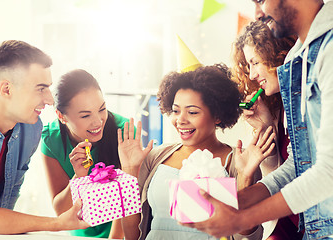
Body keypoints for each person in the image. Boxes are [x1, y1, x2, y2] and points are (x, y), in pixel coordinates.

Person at [181, 1, 333, 239]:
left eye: (261, 0)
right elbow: (298, 166)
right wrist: (238, 199)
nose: (259, 13)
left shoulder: (328, 52)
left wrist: (243, 216)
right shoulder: (298, 60)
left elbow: (327, 172)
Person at [118, 63, 276, 240]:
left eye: (192, 112)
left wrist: (245, 177)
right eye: (176, 111)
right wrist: (130, 170)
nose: (180, 120)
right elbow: (132, 236)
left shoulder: (240, 161)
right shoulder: (156, 157)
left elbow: (249, 238)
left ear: (217, 115)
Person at [0, 40, 89, 234]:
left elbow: (4, 206)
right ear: (6, 89)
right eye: (41, 88)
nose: (50, 100)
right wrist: (58, 223)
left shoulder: (30, 129)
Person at [232, 20, 302, 239]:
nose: (252, 75)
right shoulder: (280, 109)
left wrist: (248, 190)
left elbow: (298, 167)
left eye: (255, 62)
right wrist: (266, 126)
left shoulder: (306, 100)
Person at [41, 69, 127, 238]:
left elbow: (128, 202)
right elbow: (61, 210)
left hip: (120, 231)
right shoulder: (51, 139)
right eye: (86, 115)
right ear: (61, 116)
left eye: (102, 109)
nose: (98, 121)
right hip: (80, 232)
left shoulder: (123, 132)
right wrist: (79, 176)